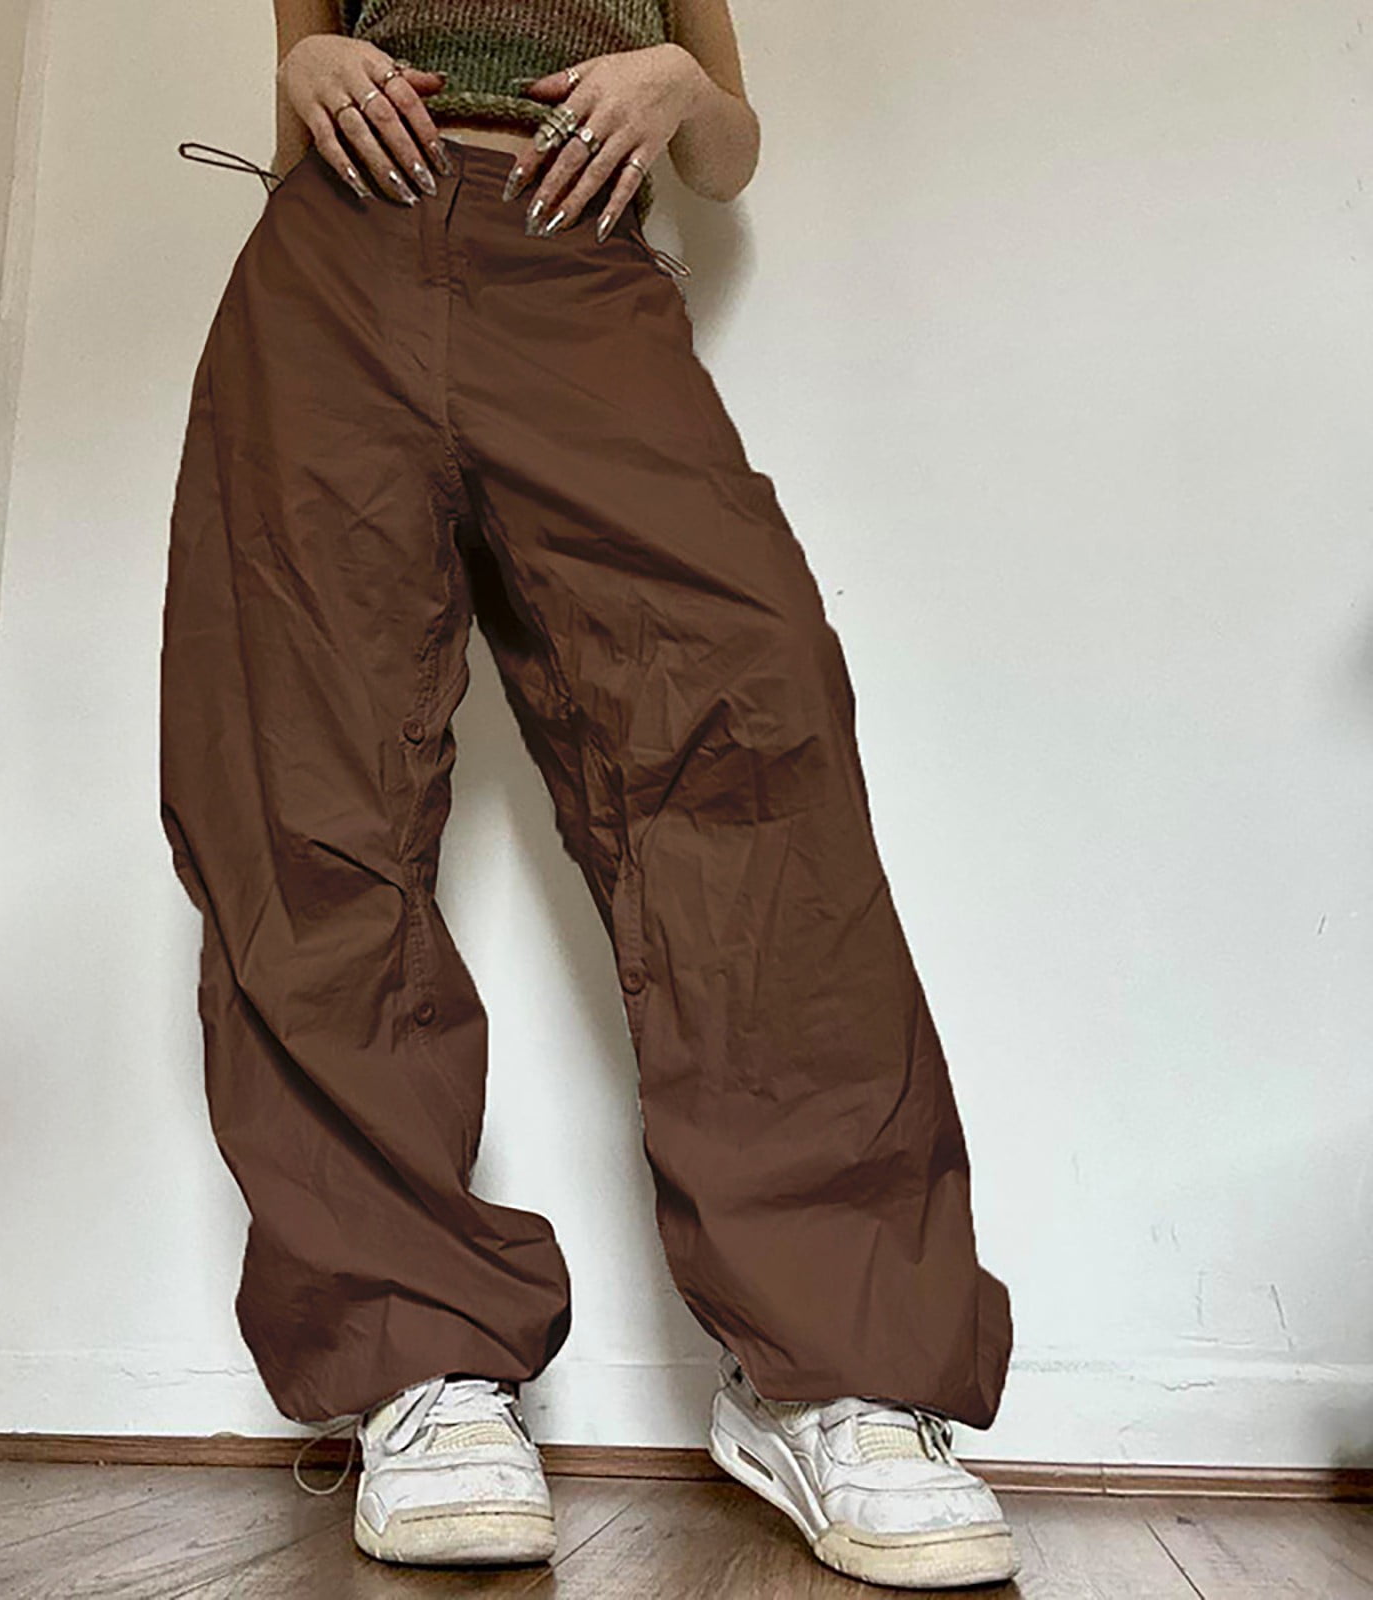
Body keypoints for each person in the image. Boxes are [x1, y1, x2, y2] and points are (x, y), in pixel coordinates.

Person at [160, 0, 1018, 1586]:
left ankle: (832, 1370)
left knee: (750, 744)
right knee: (304, 787)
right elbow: (298, 111)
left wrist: (680, 83)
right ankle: (417, 1360)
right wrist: (306, 67)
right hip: (332, 268)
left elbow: (727, 151)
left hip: (580, 268)